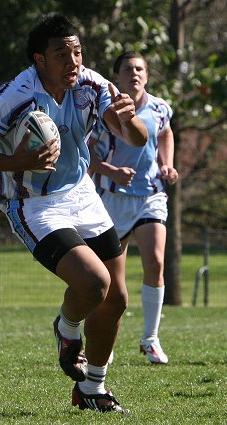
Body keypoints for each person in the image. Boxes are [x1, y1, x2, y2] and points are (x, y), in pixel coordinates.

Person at [0, 16, 148, 414]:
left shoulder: (92, 85)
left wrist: (130, 119)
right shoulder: (16, 94)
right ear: (40, 59)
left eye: (77, 51)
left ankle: (93, 389)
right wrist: (17, 160)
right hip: (32, 201)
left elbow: (135, 139)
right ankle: (66, 329)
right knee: (94, 284)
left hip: (81, 193)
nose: (74, 61)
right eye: (63, 54)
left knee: (117, 299)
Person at [89, 51, 179, 365]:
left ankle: (151, 339)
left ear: (147, 75)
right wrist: (110, 171)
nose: (135, 74)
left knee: (155, 261)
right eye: (128, 69)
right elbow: (85, 156)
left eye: (140, 68)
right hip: (112, 200)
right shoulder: (106, 112)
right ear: (117, 77)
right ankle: (104, 341)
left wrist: (167, 165)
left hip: (150, 196)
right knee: (112, 282)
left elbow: (166, 133)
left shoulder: (160, 108)